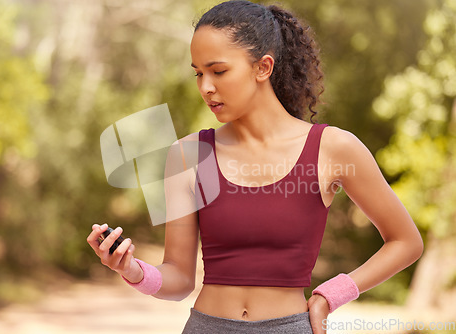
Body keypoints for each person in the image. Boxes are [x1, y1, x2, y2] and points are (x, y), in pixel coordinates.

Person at [87, 1, 424, 333]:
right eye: (198, 73)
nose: (206, 87)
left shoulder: (333, 148)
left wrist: (329, 296)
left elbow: (406, 241)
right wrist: (133, 270)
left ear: (263, 67)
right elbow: (178, 278)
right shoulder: (187, 154)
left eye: (218, 71)